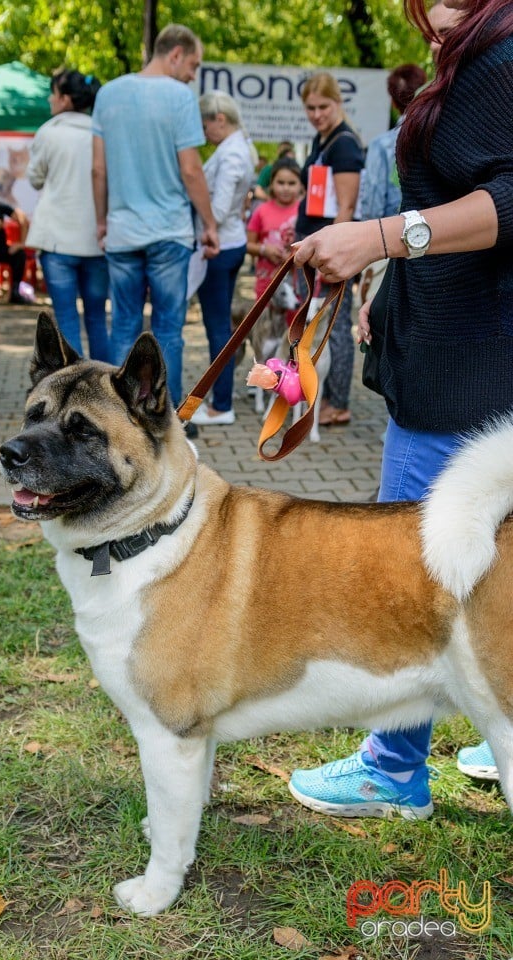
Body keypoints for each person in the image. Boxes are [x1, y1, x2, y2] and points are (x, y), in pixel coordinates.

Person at [289, 0, 512, 819]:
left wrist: (381, 237)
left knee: (408, 576)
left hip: (465, 375)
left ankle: (392, 769)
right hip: (475, 364)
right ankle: (497, 731)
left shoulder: (498, 55)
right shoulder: (482, 50)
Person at [92, 23, 219, 417]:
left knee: (124, 328)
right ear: (175, 53)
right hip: (169, 232)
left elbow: (98, 169)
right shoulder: (179, 97)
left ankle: (118, 416)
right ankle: (172, 419)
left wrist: (101, 221)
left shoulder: (107, 94)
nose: (193, 75)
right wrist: (210, 223)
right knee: (168, 331)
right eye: (193, 64)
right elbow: (191, 170)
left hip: (123, 232)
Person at [295, 72, 365, 427]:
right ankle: (309, 393)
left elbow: (346, 208)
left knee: (336, 329)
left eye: (324, 106)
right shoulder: (321, 140)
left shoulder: (344, 144)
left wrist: (331, 257)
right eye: (311, 107)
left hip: (330, 255)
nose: (317, 114)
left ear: (337, 103)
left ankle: (337, 404)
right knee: (313, 325)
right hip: (313, 250)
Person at [26, 70, 109, 360]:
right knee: (97, 318)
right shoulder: (103, 134)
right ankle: (105, 390)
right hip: (97, 241)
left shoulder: (48, 132)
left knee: (65, 318)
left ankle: (73, 386)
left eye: (53, 93)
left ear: (64, 99)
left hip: (57, 240)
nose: (50, 99)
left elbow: (35, 178)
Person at [189, 92, 254, 427]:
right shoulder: (237, 147)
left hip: (220, 246)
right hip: (231, 242)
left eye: (205, 124)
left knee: (218, 329)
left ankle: (222, 404)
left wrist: (204, 219)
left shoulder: (231, 155)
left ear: (220, 119)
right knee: (220, 328)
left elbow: (220, 207)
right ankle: (220, 399)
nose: (203, 132)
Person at [357, 64, 426, 302]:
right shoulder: (438, 134)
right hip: (432, 240)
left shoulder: (382, 145)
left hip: (388, 242)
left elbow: (373, 202)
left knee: (378, 320)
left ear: (393, 100)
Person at [246, 156, 304, 301]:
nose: (285, 188)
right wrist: (264, 250)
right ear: (271, 184)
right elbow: (248, 244)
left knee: (293, 323)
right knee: (265, 323)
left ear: (301, 185)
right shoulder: (261, 211)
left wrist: (293, 258)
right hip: (266, 286)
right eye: (280, 182)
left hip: (296, 287)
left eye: (291, 183)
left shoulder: (304, 212)